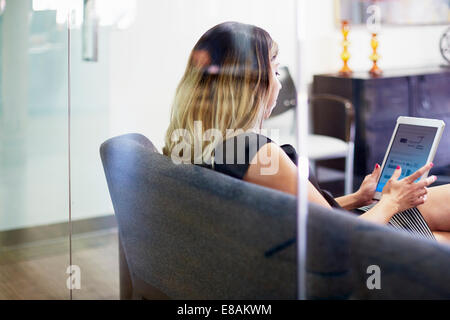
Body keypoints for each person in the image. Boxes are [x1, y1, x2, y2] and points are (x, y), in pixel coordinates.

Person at [163, 21, 450, 243]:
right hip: (353, 248)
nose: (278, 84)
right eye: (275, 72)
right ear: (251, 86)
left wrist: (358, 198)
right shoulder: (257, 154)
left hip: (330, 232)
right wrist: (392, 201)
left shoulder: (200, 146)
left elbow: (300, 214)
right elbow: (336, 238)